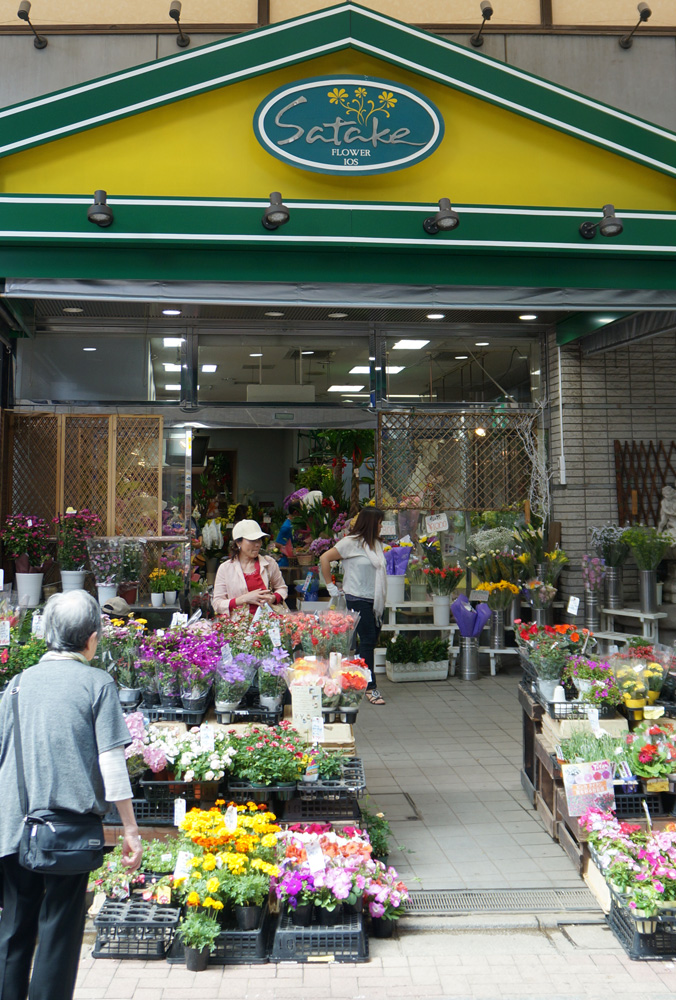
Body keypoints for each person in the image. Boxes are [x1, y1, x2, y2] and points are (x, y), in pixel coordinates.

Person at [0, 590, 143, 1000]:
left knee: (13, 931)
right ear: (91, 638)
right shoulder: (97, 683)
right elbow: (112, 765)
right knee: (59, 933)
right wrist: (130, 830)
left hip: (14, 826)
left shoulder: (16, 685)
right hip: (67, 831)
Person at [319, 507, 387, 706]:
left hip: (375, 600)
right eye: (379, 522)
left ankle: (356, 681)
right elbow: (324, 558)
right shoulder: (350, 543)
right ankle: (371, 687)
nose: (382, 526)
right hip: (357, 598)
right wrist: (330, 585)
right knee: (368, 639)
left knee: (368, 642)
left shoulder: (375, 544)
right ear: (370, 523)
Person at [212, 519, 288, 616]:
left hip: (268, 624)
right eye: (252, 540)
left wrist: (273, 598)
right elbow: (217, 604)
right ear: (238, 543)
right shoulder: (225, 568)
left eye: (259, 540)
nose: (257, 544)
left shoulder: (269, 563)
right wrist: (244, 599)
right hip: (239, 626)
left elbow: (282, 588)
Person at [275, 500, 302, 567]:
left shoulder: (295, 524)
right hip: (287, 564)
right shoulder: (286, 527)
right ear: (295, 513)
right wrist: (291, 551)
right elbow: (277, 544)